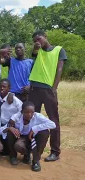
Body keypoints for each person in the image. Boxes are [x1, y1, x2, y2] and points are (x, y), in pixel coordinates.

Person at [28, 30, 67, 162]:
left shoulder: (59, 50)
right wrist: (35, 48)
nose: (37, 42)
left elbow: (59, 70)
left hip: (48, 90)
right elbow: (33, 54)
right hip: (34, 88)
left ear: (45, 36)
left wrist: (54, 88)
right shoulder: (37, 51)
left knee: (54, 120)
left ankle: (55, 152)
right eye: (35, 41)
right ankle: (31, 150)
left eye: (39, 39)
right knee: (31, 118)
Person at [0, 101, 56, 171]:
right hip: (21, 138)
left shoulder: (37, 116)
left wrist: (34, 129)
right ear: (22, 111)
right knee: (11, 135)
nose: (29, 114)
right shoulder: (16, 117)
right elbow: (1, 130)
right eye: (26, 112)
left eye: (32, 112)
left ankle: (36, 161)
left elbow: (53, 124)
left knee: (44, 132)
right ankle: (15, 156)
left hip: (33, 138)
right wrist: (9, 128)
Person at [0, 79, 22, 155]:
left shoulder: (14, 100)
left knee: (10, 135)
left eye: (4, 87)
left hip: (9, 125)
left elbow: (22, 110)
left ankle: (12, 154)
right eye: (0, 86)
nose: (2, 88)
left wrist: (14, 117)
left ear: (9, 88)